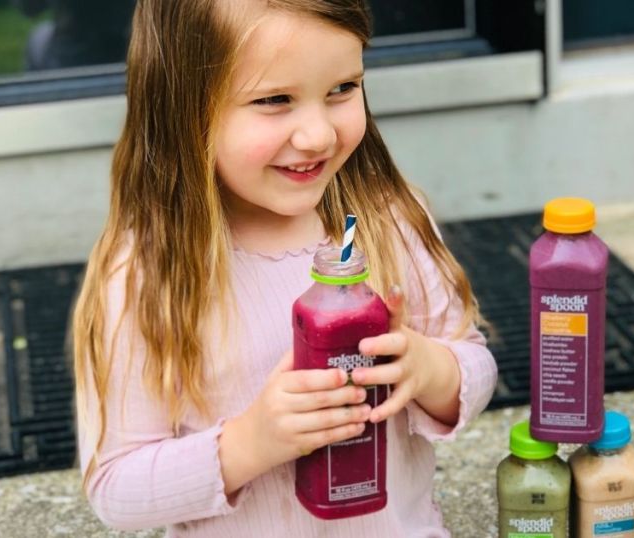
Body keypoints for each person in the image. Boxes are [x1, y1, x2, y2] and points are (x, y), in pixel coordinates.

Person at [71, 1, 498, 536]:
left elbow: (474, 362)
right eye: (275, 99)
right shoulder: (146, 274)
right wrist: (251, 442)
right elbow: (117, 489)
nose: (318, 134)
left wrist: (431, 370)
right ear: (183, 108)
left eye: (343, 88)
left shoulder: (387, 221)